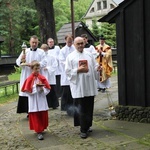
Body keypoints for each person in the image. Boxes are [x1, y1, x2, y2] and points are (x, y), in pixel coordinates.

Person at [65, 37, 99, 139]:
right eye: (78, 44)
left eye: (81, 43)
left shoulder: (89, 54)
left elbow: (94, 66)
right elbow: (67, 72)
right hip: (79, 86)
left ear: (84, 43)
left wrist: (98, 68)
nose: (80, 45)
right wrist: (77, 70)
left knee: (89, 106)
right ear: (74, 45)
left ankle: (88, 125)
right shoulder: (70, 57)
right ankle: (83, 129)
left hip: (89, 85)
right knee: (81, 107)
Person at [16, 35, 46, 114]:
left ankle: (38, 109)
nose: (34, 44)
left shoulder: (41, 52)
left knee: (36, 91)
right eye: (33, 42)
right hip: (27, 74)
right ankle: (28, 111)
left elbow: (44, 62)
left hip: (37, 76)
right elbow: (18, 62)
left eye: (36, 42)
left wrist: (35, 65)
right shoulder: (25, 51)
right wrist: (22, 60)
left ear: (38, 43)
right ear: (30, 42)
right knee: (27, 91)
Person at [21, 60, 50, 140]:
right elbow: (26, 90)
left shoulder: (42, 78)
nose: (37, 70)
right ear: (32, 69)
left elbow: (48, 88)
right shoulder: (29, 79)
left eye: (38, 69)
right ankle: (38, 131)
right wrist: (35, 88)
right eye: (35, 69)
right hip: (33, 99)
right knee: (35, 114)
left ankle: (42, 128)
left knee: (42, 113)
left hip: (41, 98)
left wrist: (42, 89)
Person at [59, 34, 75, 111]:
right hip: (66, 73)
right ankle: (65, 107)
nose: (70, 43)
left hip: (74, 72)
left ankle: (73, 106)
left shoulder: (75, 49)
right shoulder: (62, 51)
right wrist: (69, 65)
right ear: (65, 41)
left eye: (71, 41)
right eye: (68, 42)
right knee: (66, 92)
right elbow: (61, 61)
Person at [40, 44, 59, 109]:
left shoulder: (52, 57)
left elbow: (55, 65)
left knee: (52, 90)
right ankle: (46, 104)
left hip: (50, 76)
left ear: (47, 49)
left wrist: (48, 68)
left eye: (45, 49)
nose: (44, 50)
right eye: (43, 49)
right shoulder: (40, 57)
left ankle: (54, 104)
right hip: (43, 75)